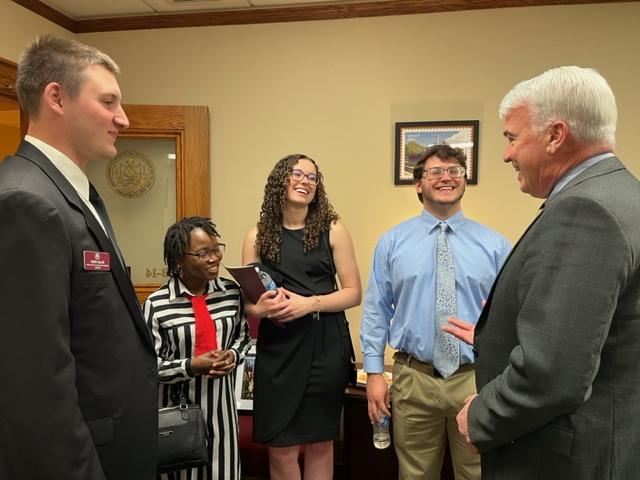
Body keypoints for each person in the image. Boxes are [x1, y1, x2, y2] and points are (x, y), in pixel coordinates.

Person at [453, 65, 640, 479]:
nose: (506, 154)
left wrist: (480, 417)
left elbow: (552, 374)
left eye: (512, 138)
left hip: (562, 458)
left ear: (556, 136)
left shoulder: (585, 210)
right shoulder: (624, 195)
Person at [0, 35, 157, 479]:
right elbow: (35, 385)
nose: (122, 119)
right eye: (108, 102)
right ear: (56, 97)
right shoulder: (25, 201)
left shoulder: (73, 192)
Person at [360, 144, 511, 480]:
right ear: (418, 184)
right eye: (436, 171)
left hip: (475, 378)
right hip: (413, 379)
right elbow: (376, 309)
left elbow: (510, 314)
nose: (447, 177)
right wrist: (372, 372)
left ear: (464, 181)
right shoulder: (392, 242)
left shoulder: (496, 245)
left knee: (478, 473)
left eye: (455, 171)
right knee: (415, 475)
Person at [242, 153, 361, 480]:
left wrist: (309, 304)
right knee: (281, 447)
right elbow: (250, 305)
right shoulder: (256, 236)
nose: (305, 181)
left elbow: (353, 292)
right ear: (280, 179)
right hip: (278, 352)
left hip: (325, 348)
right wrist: (265, 308)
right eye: (297, 173)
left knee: (320, 444)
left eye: (312, 176)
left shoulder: (334, 229)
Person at [144, 216, 251, 480]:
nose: (214, 258)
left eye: (216, 249)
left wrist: (233, 355)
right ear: (179, 258)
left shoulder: (231, 293)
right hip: (176, 418)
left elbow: (244, 338)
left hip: (222, 414)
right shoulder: (157, 304)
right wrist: (191, 366)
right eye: (203, 253)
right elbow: (147, 366)